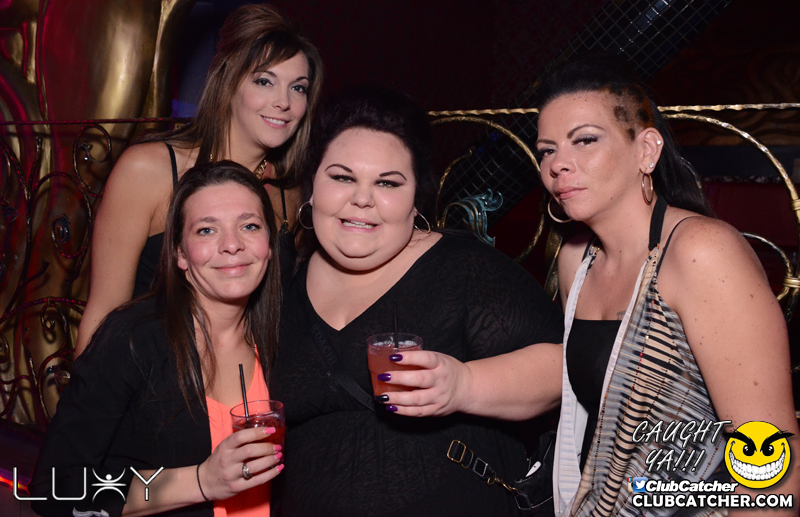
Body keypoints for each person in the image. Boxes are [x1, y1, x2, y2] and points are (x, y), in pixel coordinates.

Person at [268, 86, 564, 516]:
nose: (362, 199)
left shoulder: (463, 268)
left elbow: (561, 368)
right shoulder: (281, 285)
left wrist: (464, 385)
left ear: (415, 200)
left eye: (387, 183)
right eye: (342, 177)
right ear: (312, 186)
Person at [535, 54, 800, 516]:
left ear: (646, 150)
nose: (559, 163)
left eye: (585, 140)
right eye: (546, 150)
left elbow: (770, 455)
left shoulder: (700, 252)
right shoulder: (577, 259)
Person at [30, 162, 284, 516]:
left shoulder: (282, 334)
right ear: (179, 253)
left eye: (249, 226)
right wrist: (201, 481)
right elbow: (55, 487)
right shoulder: (133, 339)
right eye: (207, 230)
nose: (232, 245)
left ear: (269, 244)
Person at [75, 3, 323, 356]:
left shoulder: (289, 190)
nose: (284, 102)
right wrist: (87, 392)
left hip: (250, 382)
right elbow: (104, 312)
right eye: (264, 81)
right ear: (228, 81)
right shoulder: (150, 171)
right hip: (153, 378)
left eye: (298, 88)